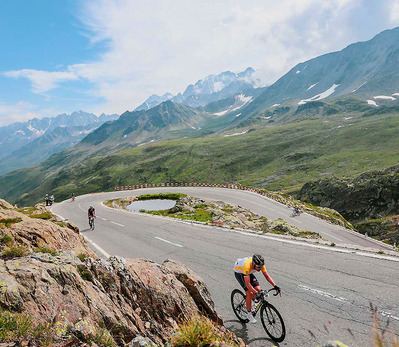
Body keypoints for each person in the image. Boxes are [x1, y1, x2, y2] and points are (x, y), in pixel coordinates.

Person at [234, 254, 281, 324]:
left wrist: (275, 286)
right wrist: (255, 293)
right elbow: (248, 284)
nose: (260, 269)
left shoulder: (260, 265)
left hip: (249, 272)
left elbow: (267, 276)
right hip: (240, 273)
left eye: (261, 267)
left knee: (259, 289)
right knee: (249, 293)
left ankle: (252, 302)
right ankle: (249, 314)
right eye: (258, 267)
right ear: (253, 264)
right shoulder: (247, 266)